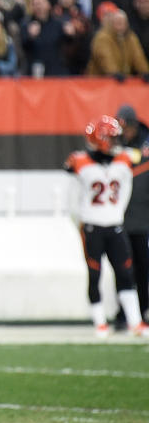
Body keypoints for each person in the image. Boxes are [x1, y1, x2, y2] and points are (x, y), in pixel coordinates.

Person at [64, 115, 147, 337]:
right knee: (95, 274)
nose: (116, 142)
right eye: (111, 138)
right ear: (100, 139)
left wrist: (117, 213)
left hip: (115, 224)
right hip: (92, 225)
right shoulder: (80, 162)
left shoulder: (124, 158)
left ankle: (135, 321)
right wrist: (81, 222)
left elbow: (129, 182)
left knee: (126, 273)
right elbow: (71, 199)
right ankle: (100, 322)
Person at [116, 105, 149, 324]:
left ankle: (143, 309)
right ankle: (124, 312)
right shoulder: (118, 145)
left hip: (143, 215)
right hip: (122, 216)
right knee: (123, 267)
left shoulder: (144, 145)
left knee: (143, 267)